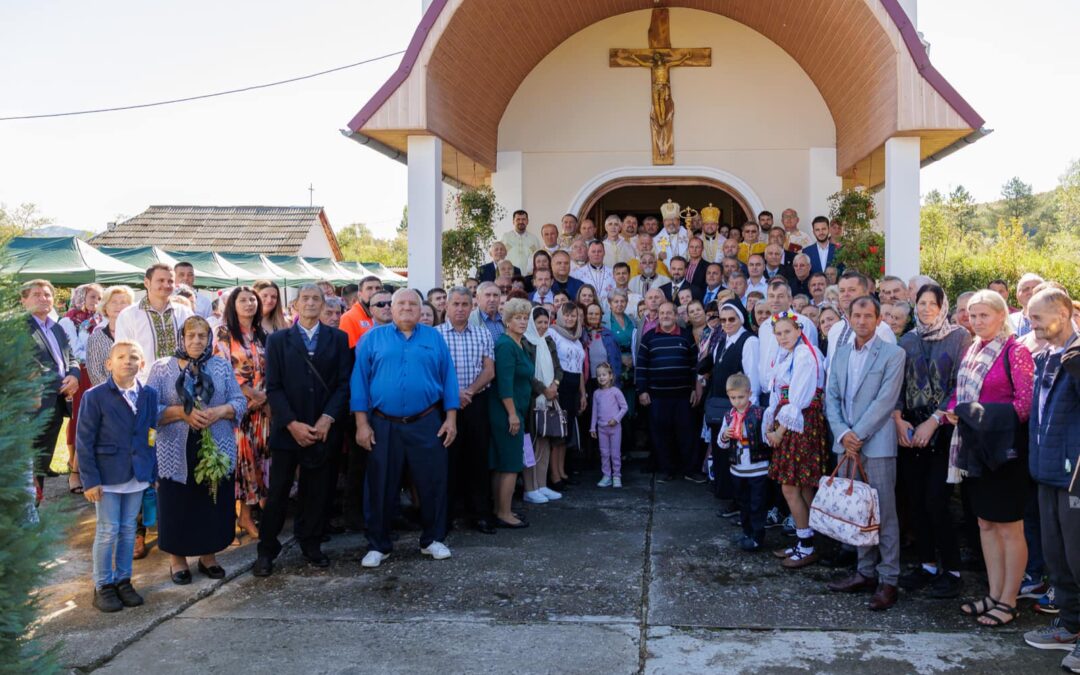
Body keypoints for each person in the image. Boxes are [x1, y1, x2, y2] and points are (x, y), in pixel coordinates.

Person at [945, 289, 1034, 627]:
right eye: (973, 315)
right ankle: (994, 593)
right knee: (985, 524)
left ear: (1002, 316)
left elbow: (1024, 406)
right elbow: (960, 392)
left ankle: (1009, 601)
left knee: (1010, 528)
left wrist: (974, 413)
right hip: (974, 449)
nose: (977, 321)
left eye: (984, 315)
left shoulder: (1017, 350)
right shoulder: (972, 350)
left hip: (1004, 453)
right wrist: (955, 410)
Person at [351, 289, 459, 568]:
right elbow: (359, 383)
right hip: (383, 424)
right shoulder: (373, 338)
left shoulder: (434, 337)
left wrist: (451, 419)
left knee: (433, 481)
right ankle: (378, 545)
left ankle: (433, 540)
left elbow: (449, 378)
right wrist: (362, 424)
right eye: (401, 303)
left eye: (413, 303)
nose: (407, 308)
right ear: (391, 308)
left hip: (426, 422)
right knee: (379, 484)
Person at [253, 286, 350, 576]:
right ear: (294, 305)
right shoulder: (279, 340)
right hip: (288, 430)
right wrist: (292, 423)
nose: (310, 303)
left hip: (323, 429)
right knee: (279, 491)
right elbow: (274, 387)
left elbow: (344, 384)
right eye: (305, 298)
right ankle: (267, 550)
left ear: (324, 306)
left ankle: (311, 543)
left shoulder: (338, 338)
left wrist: (327, 419)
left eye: (316, 299)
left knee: (317, 491)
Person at [146, 316, 245, 585]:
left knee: (211, 501)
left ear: (209, 339)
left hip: (215, 446)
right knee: (177, 502)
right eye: (191, 336)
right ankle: (177, 560)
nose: (196, 341)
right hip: (175, 448)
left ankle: (208, 556)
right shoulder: (162, 368)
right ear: (181, 338)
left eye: (202, 336)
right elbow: (149, 409)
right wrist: (181, 413)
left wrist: (219, 411)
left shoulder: (221, 367)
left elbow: (239, 401)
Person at [824, 296, 906, 610]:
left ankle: (888, 580)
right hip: (846, 443)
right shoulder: (842, 352)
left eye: (868, 315)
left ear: (878, 319)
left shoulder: (893, 354)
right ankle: (864, 572)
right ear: (849, 317)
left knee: (883, 513)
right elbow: (831, 397)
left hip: (877, 444)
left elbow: (886, 401)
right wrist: (843, 433)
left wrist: (857, 434)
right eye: (856, 315)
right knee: (858, 511)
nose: (861, 321)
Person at [893, 284, 971, 599]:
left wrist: (934, 420)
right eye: (921, 303)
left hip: (942, 429)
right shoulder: (907, 340)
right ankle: (925, 564)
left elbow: (959, 386)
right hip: (910, 428)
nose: (926, 309)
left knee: (937, 500)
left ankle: (951, 569)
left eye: (932, 303)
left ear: (942, 306)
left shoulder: (958, 338)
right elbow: (897, 384)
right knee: (915, 499)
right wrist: (898, 418)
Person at [76, 340, 158, 612]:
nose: (128, 361)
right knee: (108, 530)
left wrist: (151, 471)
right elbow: (84, 440)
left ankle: (123, 580)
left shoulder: (149, 395)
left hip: (137, 473)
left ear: (142, 363)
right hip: (107, 475)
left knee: (127, 529)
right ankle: (103, 584)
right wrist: (90, 479)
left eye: (134, 357)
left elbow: (151, 434)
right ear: (108, 364)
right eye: (121, 357)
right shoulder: (95, 395)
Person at [1022, 288, 1080, 670]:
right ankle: (1071, 625)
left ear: (1062, 312)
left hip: (1074, 478)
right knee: (1058, 558)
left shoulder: (1077, 358)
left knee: (1078, 557)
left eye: (1038, 319)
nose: (1033, 327)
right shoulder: (1045, 357)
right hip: (1046, 473)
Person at [763, 311, 827, 568]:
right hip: (793, 422)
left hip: (801, 424)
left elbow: (798, 401)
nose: (782, 337)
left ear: (799, 331)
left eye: (787, 332)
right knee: (802, 487)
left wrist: (779, 431)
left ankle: (808, 545)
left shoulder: (803, 355)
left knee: (791, 486)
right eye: (778, 333)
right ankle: (808, 541)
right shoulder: (790, 355)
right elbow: (779, 395)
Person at [437, 287, 497, 533]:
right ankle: (446, 516)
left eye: (465, 304)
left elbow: (489, 370)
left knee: (478, 459)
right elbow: (432, 371)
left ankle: (480, 514)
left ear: (472, 306)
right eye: (456, 304)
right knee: (447, 461)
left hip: (475, 403)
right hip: (444, 405)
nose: (460, 309)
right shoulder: (435, 335)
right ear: (447, 307)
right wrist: (453, 394)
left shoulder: (483, 334)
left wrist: (469, 391)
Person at [214, 286, 270, 540]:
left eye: (252, 300)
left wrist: (265, 395)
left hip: (262, 410)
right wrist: (249, 392)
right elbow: (221, 367)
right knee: (239, 464)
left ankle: (248, 515)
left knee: (258, 460)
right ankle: (234, 518)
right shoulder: (224, 333)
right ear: (233, 305)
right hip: (238, 409)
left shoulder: (263, 334)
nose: (249, 304)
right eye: (243, 300)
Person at [23, 280, 81, 498]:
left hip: (56, 405)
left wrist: (74, 376)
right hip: (32, 406)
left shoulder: (57, 327)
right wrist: (60, 383)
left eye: (47, 295)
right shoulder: (19, 328)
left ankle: (35, 508)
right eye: (36, 294)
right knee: (27, 463)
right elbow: (26, 364)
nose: (43, 298)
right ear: (23, 300)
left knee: (42, 461)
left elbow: (71, 358)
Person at [637, 301, 699, 482]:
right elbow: (641, 366)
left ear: (675, 315)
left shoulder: (686, 336)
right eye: (662, 313)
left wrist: (695, 389)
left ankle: (689, 470)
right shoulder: (649, 337)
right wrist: (642, 391)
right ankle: (665, 470)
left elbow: (694, 366)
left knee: (686, 435)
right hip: (657, 397)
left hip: (683, 397)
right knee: (660, 435)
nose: (665, 316)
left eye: (669, 313)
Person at [486, 298, 535, 525]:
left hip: (514, 411)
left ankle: (500, 509)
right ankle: (504, 513)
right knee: (511, 463)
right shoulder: (505, 345)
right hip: (506, 412)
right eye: (518, 318)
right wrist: (512, 414)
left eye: (526, 318)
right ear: (507, 321)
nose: (523, 322)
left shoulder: (519, 343)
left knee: (503, 461)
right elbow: (504, 384)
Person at [716, 373, 769, 551]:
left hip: (758, 468)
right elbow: (721, 444)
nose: (737, 401)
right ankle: (747, 532)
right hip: (738, 469)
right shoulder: (729, 416)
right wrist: (725, 435)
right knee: (743, 503)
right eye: (733, 398)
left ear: (749, 393)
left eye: (741, 397)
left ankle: (757, 537)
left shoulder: (760, 413)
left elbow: (767, 440)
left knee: (757, 504)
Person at [115, 264, 194, 382]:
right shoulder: (129, 315)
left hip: (181, 384)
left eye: (170, 281)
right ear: (147, 283)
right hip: (144, 384)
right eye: (161, 280)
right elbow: (122, 353)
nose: (166, 285)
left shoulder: (184, 312)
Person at [522, 306, 563, 505]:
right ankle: (530, 488)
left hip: (550, 398)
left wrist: (554, 386)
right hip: (532, 400)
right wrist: (543, 390)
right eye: (539, 322)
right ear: (532, 322)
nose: (543, 326)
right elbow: (527, 374)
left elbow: (558, 368)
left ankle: (542, 484)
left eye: (546, 322)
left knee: (546, 442)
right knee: (532, 444)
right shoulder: (526, 342)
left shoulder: (548, 341)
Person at [548, 302, 587, 488]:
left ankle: (562, 472)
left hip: (573, 389)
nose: (570, 319)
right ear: (560, 316)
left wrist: (583, 393)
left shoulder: (577, 338)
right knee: (557, 434)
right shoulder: (553, 333)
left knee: (567, 432)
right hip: (560, 388)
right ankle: (554, 476)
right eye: (567, 315)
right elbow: (550, 362)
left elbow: (579, 369)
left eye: (574, 316)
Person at [87, 286, 136, 387]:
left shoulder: (138, 334)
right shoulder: (96, 338)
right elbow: (95, 373)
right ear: (105, 307)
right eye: (113, 302)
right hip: (107, 396)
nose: (118, 306)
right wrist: (116, 392)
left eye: (123, 302)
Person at [591, 363, 628, 488]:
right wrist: (592, 427)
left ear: (611, 376)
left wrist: (616, 419)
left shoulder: (615, 391)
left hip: (615, 428)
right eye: (599, 375)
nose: (601, 377)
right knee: (604, 453)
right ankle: (606, 476)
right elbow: (594, 411)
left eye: (604, 374)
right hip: (601, 429)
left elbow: (624, 407)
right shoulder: (596, 393)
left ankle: (616, 475)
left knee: (615, 453)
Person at [340, 276, 384, 348]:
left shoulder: (388, 315)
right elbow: (351, 352)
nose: (374, 292)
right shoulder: (349, 318)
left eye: (378, 288)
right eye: (369, 288)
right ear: (359, 294)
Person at [500, 209, 541, 273]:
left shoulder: (534, 239)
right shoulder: (505, 237)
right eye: (518, 219)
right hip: (509, 275)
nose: (521, 222)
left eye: (523, 219)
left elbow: (538, 259)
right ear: (513, 221)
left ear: (527, 221)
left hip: (529, 277)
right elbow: (500, 258)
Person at [1009, 272, 1046, 337]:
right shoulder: (1009, 320)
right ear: (1017, 295)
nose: (1030, 292)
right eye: (1025, 289)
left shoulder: (1054, 319)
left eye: (1035, 289)